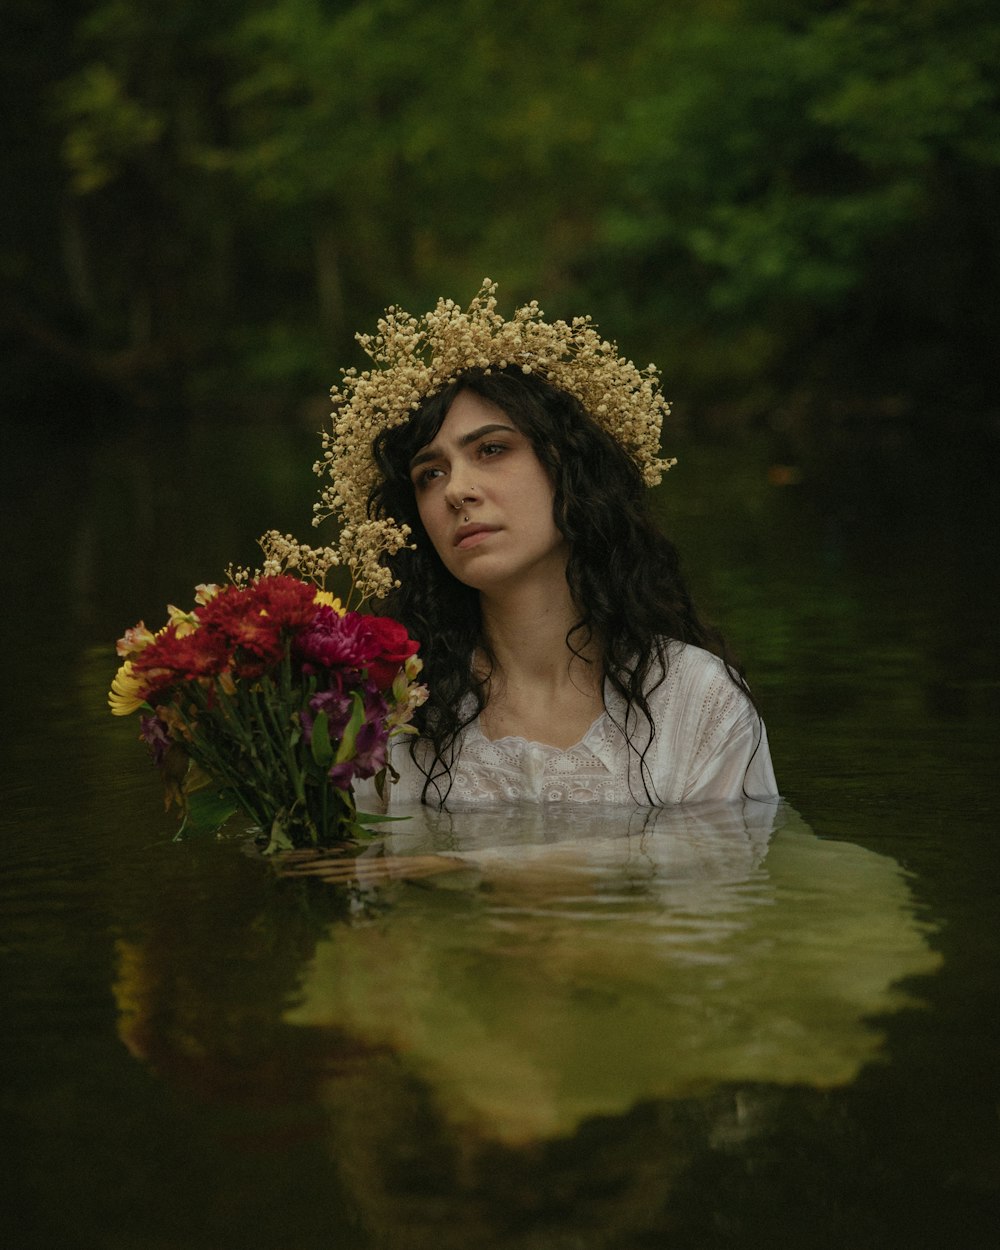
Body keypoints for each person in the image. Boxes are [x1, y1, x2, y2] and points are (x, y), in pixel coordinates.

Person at [295, 281, 778, 809]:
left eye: (492, 449)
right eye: (429, 474)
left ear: (568, 469)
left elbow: (728, 881)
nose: (456, 490)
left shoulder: (693, 699)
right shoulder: (393, 712)